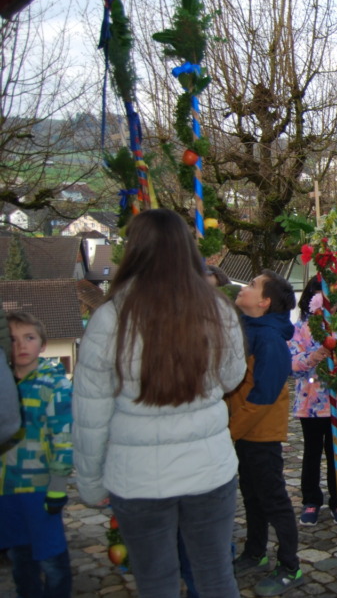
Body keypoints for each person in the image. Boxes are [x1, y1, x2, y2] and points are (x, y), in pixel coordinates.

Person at [73, 209, 247, 597]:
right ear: (186, 250)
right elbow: (232, 377)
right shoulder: (217, 309)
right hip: (208, 469)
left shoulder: (110, 318)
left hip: (137, 477)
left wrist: (90, 482)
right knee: (216, 577)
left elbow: (90, 413)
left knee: (156, 583)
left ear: (134, 250)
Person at [230, 270, 306, 595]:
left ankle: (290, 565)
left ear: (264, 302)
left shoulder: (270, 339)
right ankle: (255, 552)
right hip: (243, 432)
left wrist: (229, 431)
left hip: (260, 434)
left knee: (274, 500)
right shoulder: (249, 329)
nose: (244, 287)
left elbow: (263, 395)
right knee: (251, 495)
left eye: (252, 285)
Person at [1, 312, 73, 598]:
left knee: (52, 560)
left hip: (39, 488)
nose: (21, 345)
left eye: (29, 338)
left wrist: (58, 486)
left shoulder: (54, 385)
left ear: (42, 344)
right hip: (6, 489)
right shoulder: (4, 385)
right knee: (20, 560)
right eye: (13, 339)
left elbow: (64, 437)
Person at [290, 278, 337, 527]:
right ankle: (311, 499)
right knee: (312, 452)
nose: (328, 307)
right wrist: (314, 356)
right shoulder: (300, 328)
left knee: (336, 451)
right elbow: (293, 365)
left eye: (332, 302)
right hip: (311, 403)